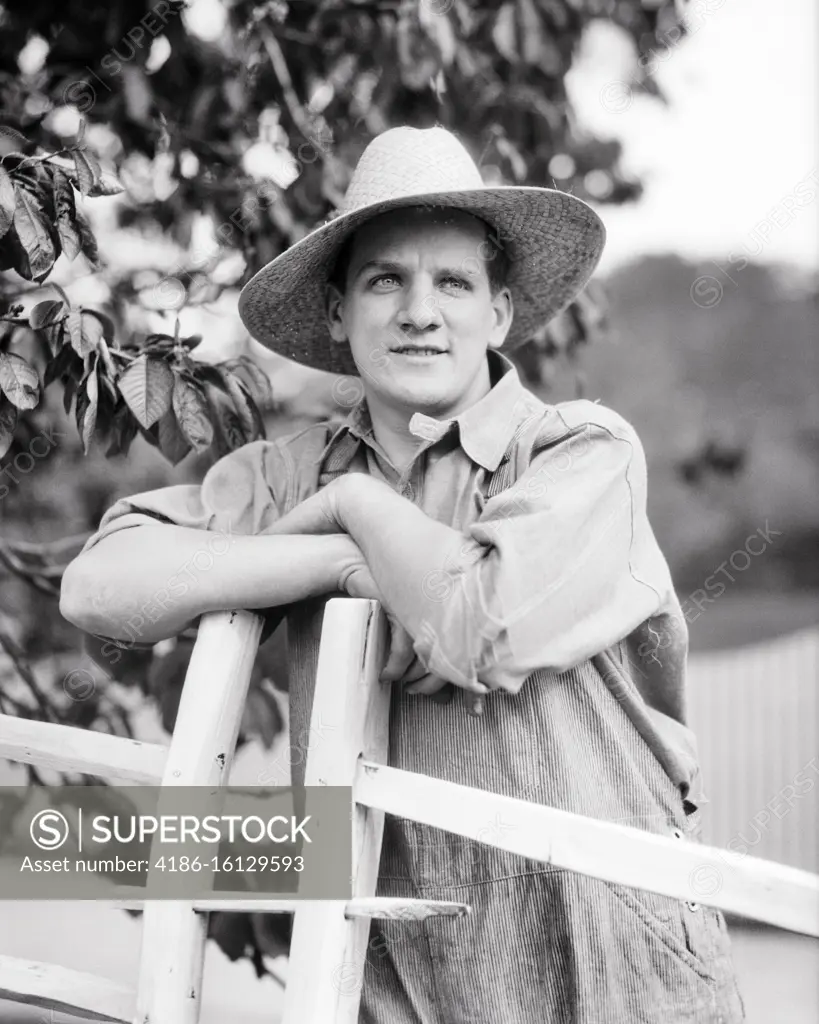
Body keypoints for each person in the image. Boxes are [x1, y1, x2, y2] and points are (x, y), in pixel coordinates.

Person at [60, 126, 745, 1022]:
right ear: (341, 314)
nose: (420, 311)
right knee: (49, 841)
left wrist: (358, 510)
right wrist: (343, 565)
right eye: (386, 279)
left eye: (452, 282)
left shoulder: (579, 452)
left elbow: (476, 630)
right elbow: (98, 589)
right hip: (397, 974)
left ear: (498, 313)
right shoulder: (283, 475)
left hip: (608, 957)